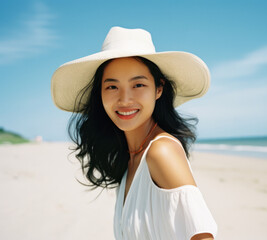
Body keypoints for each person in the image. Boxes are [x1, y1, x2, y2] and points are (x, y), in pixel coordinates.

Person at [51, 27, 217, 240]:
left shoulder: (161, 151)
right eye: (112, 87)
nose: (125, 100)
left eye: (138, 84)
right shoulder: (129, 159)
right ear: (99, 94)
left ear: (159, 89)